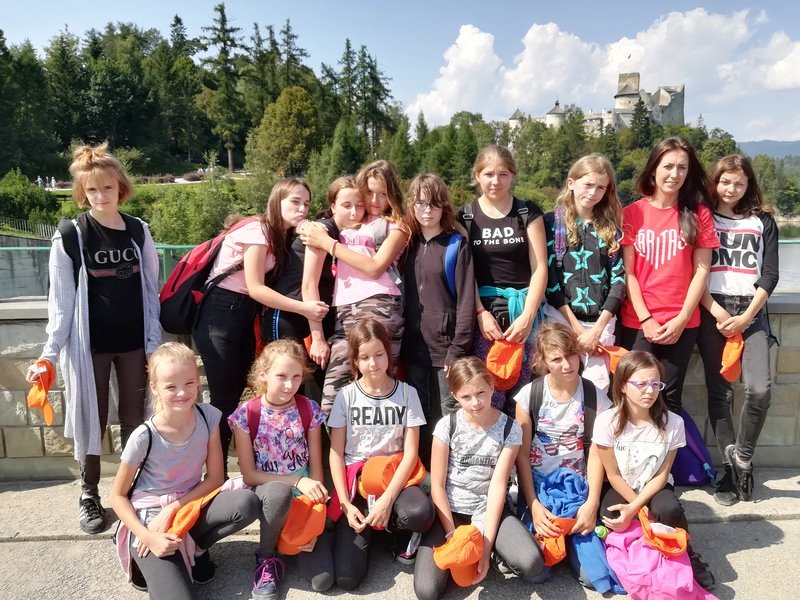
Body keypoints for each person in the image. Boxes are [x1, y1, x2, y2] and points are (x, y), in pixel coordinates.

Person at [26, 143, 161, 534]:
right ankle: (88, 494)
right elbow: (61, 304)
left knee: (136, 419)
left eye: (108, 188)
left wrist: (154, 344)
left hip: (134, 343)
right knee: (91, 420)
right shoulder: (71, 235)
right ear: (82, 192)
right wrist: (49, 355)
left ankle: (134, 489)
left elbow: (151, 291)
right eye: (92, 190)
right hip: (89, 349)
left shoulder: (137, 231)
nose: (101, 196)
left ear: (121, 188)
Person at [192, 178, 328, 466]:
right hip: (220, 313)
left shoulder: (277, 235)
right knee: (224, 399)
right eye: (295, 202)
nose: (302, 209)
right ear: (277, 201)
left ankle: (241, 468)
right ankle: (214, 474)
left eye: (306, 203)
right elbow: (255, 288)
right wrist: (305, 308)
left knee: (237, 395)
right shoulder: (259, 231)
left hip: (241, 316)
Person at [110, 342, 261, 599]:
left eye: (189, 383)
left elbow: (215, 478)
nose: (182, 392)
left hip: (189, 505)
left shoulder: (208, 416)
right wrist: (148, 537)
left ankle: (197, 548)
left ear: (198, 381)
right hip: (151, 518)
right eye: (171, 386)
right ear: (155, 387)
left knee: (246, 502)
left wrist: (172, 509)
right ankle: (151, 562)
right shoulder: (143, 436)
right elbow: (117, 496)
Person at [413, 356, 542, 600]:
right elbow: (437, 486)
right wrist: (453, 536)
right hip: (451, 512)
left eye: (481, 392)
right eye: (466, 397)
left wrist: (486, 546)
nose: (475, 403)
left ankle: (491, 552)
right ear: (455, 395)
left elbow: (497, 486)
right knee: (426, 591)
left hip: (488, 508)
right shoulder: (447, 426)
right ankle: (444, 547)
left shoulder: (510, 428)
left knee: (531, 563)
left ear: (492, 386)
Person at [320, 319, 434, 590]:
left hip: (395, 478)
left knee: (421, 513)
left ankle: (394, 530)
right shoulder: (346, 396)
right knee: (347, 579)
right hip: (358, 485)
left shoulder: (407, 393)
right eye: (365, 357)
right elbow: (336, 454)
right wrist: (345, 504)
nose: (373, 363)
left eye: (379, 354)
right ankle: (368, 530)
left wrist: (388, 499)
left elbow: (411, 453)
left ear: (388, 353)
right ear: (355, 361)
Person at [593, 350, 715, 590]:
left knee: (668, 510)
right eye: (641, 384)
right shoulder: (606, 421)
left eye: (655, 384)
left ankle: (687, 552)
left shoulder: (673, 423)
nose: (649, 391)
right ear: (623, 386)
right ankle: (634, 554)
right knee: (611, 516)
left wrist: (636, 508)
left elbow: (662, 474)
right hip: (622, 484)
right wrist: (638, 510)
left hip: (655, 485)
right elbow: (613, 475)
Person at [697, 155, 780, 505]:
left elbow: (770, 274)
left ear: (749, 185)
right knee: (721, 394)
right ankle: (729, 474)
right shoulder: (702, 216)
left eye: (739, 183)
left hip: (752, 311)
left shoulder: (763, 221)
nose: (731, 189)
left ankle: (743, 457)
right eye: (725, 181)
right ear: (715, 182)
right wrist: (717, 311)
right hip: (712, 309)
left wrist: (746, 317)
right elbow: (694, 272)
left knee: (759, 390)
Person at [300, 161, 410, 412]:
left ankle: (387, 438)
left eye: (383, 193)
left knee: (380, 389)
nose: (375, 200)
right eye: (369, 192)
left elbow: (375, 267)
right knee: (333, 397)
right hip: (344, 312)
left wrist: (328, 244)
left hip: (381, 306)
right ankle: (339, 439)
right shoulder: (351, 219)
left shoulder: (397, 225)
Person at [619, 137, 719, 412]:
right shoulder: (632, 213)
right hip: (638, 321)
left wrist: (682, 319)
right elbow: (629, 273)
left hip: (682, 323)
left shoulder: (699, 214)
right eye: (668, 166)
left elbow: (701, 272)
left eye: (682, 167)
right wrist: (646, 319)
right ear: (654, 169)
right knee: (633, 398)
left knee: (670, 399)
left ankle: (668, 444)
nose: (674, 174)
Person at [513, 323, 612, 585]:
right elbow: (522, 456)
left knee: (592, 577)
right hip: (539, 488)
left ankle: (572, 545)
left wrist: (591, 504)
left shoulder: (595, 397)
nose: (567, 365)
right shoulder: (530, 395)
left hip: (577, 489)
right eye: (556, 359)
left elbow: (597, 455)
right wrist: (534, 505)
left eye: (571, 355)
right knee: (537, 572)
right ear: (543, 362)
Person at [229, 340, 329, 598]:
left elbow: (316, 470)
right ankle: (266, 556)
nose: (289, 385)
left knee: (323, 581)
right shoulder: (246, 414)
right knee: (278, 494)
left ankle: (291, 539)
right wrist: (296, 482)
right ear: (264, 374)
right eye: (281, 376)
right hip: (270, 496)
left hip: (304, 497)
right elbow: (250, 475)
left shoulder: (308, 409)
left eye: (296, 377)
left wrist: (314, 522)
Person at [456, 145, 548, 414]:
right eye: (488, 174)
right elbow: (466, 273)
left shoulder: (527, 212)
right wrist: (480, 313)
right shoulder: (466, 216)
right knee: (488, 394)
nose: (495, 181)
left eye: (503, 174)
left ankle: (521, 443)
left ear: (512, 176)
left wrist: (528, 317)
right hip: (486, 320)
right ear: (477, 176)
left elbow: (540, 267)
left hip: (524, 314)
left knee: (523, 400)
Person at [401, 173, 475, 467]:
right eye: (420, 203)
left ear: (444, 206)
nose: (427, 210)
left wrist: (457, 349)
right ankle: (421, 472)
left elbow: (466, 301)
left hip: (447, 347)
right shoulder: (406, 244)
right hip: (412, 347)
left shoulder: (456, 245)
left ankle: (454, 471)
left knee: (449, 412)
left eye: (434, 203)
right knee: (417, 413)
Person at [542, 154, 625, 392]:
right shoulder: (552, 223)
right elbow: (551, 281)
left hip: (601, 324)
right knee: (560, 386)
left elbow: (619, 280)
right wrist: (578, 331)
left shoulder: (610, 227)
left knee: (597, 391)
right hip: (561, 319)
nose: (593, 192)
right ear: (571, 183)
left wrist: (596, 330)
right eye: (588, 185)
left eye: (600, 187)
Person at [300, 176, 364, 387]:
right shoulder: (323, 231)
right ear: (333, 206)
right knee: (313, 389)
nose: (354, 212)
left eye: (359, 205)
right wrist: (317, 338)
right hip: (302, 320)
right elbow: (309, 285)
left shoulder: (348, 233)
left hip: (323, 317)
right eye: (346, 205)